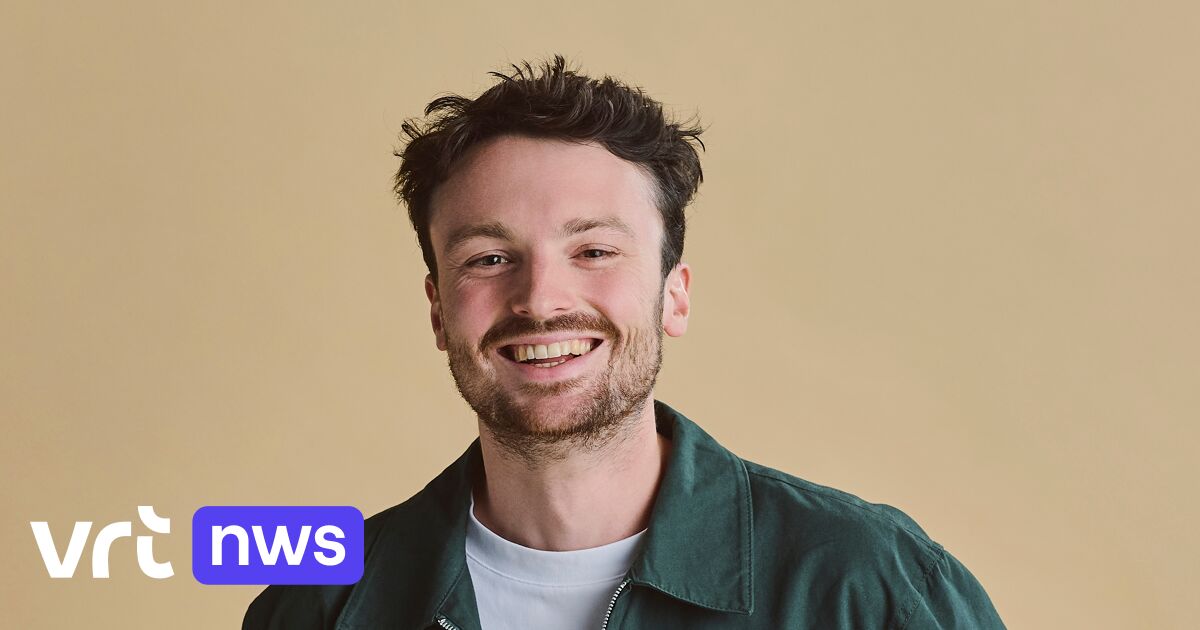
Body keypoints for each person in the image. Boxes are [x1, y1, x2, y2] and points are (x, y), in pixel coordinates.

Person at [243, 56, 1006, 630]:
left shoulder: (868, 585)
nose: (541, 298)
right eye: (490, 259)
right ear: (439, 312)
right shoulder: (319, 604)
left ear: (675, 295)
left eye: (595, 251)